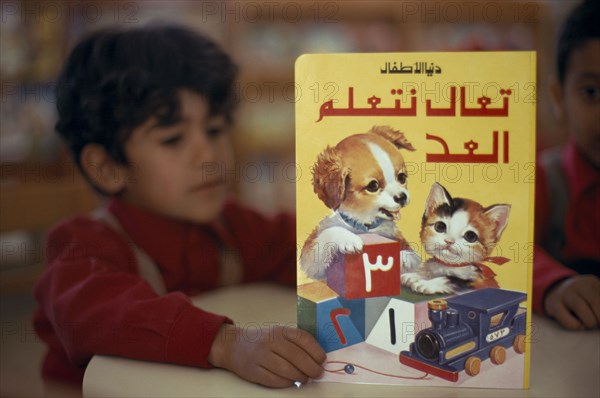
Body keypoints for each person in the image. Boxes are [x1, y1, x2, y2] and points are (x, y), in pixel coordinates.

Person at [33, 24, 325, 388]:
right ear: (107, 167)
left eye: (216, 130)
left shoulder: (234, 227)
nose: (208, 155)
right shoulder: (82, 246)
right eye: (173, 139)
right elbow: (95, 314)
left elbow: (305, 247)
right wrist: (224, 343)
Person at [534, 0, 600, 330]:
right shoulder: (545, 179)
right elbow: (508, 250)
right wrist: (555, 284)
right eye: (591, 92)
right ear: (559, 98)